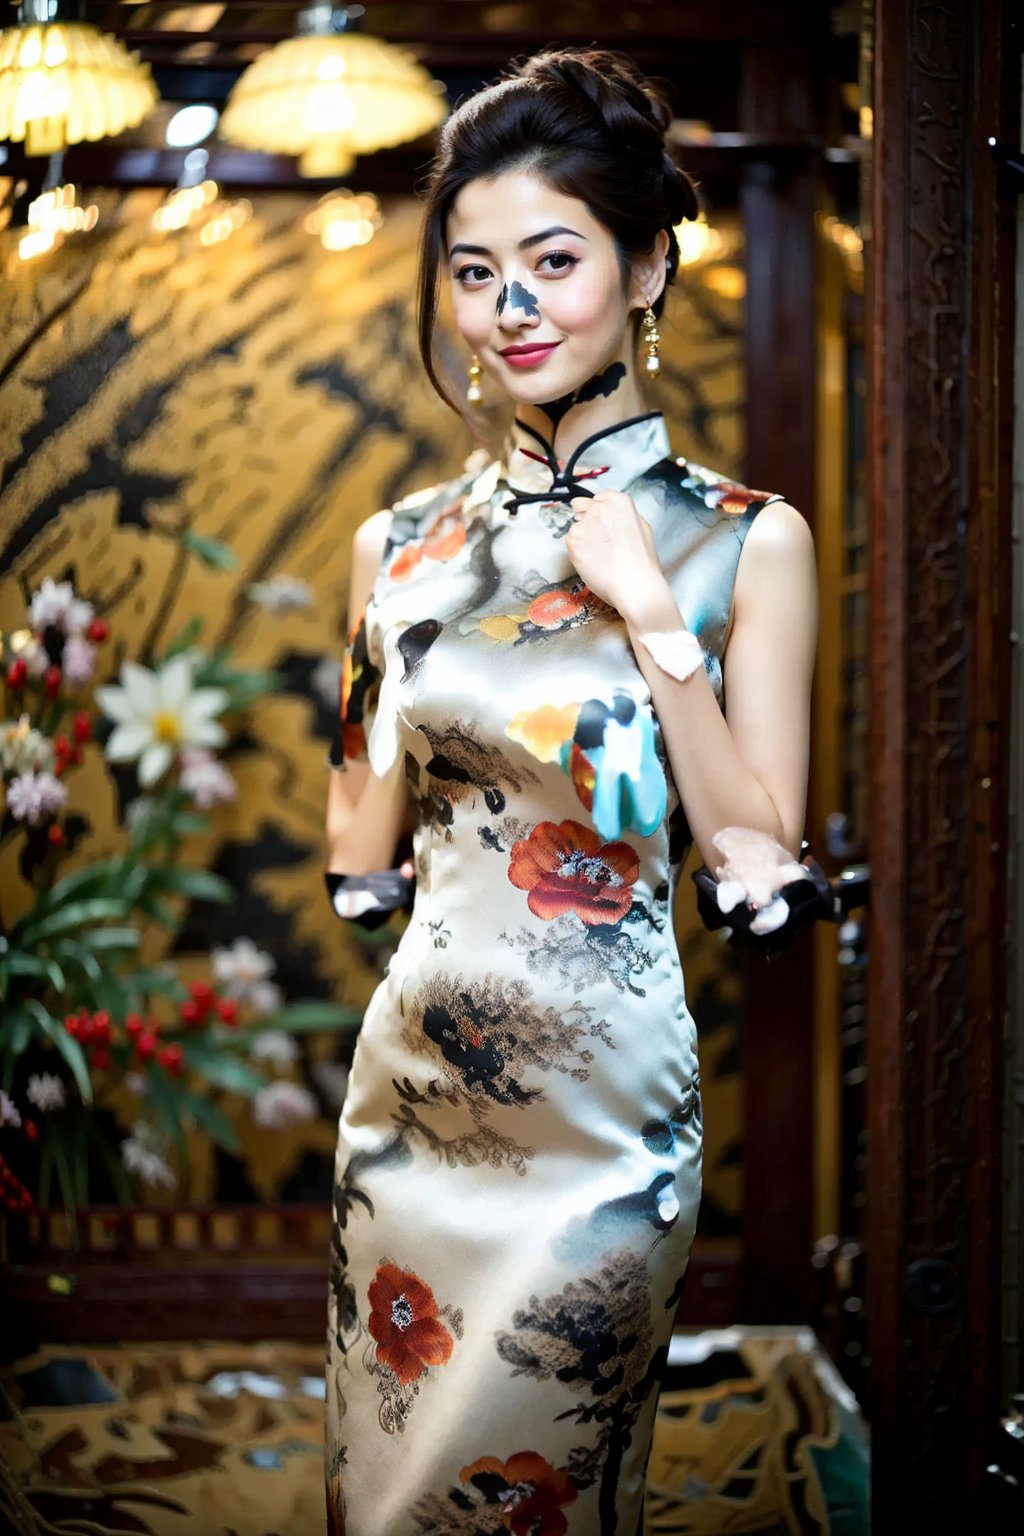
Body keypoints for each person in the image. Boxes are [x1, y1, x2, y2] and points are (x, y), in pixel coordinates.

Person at [322, 45, 818, 1536]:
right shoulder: (392, 548)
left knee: (546, 1496)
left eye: (553, 260)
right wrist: (382, 696)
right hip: (413, 1102)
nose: (510, 308)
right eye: (476, 274)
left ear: (649, 267)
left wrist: (653, 619)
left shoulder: (749, 541)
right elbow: (360, 844)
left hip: (604, 1126)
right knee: (391, 1491)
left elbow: (757, 862)